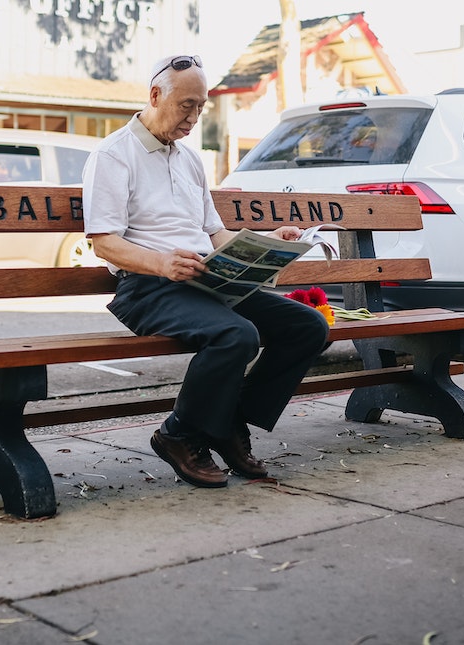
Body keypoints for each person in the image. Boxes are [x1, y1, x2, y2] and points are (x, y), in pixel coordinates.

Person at [82, 53, 331, 489]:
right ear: (156, 95)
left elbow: (213, 235)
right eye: (187, 105)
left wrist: (267, 241)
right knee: (236, 335)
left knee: (307, 326)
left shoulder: (189, 159)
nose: (194, 117)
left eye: (201, 107)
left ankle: (230, 422)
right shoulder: (113, 155)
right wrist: (162, 263)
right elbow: (105, 242)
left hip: (206, 280)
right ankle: (178, 434)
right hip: (148, 287)